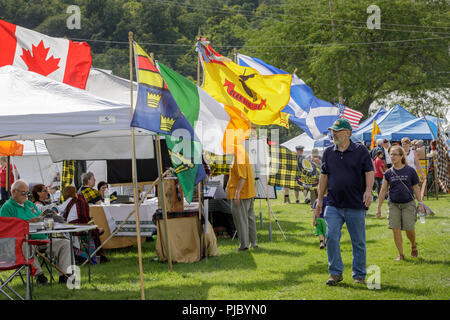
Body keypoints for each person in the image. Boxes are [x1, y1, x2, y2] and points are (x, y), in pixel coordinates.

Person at [315, 118, 374, 286]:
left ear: (348, 133)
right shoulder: (327, 152)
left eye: (337, 130)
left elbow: (370, 171)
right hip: (333, 204)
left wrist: (368, 191)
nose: (334, 133)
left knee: (358, 241)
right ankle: (335, 273)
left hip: (355, 204)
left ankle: (359, 275)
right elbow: (324, 176)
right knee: (331, 236)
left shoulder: (360, 150)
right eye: (333, 130)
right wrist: (320, 200)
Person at [0, 179, 73, 285]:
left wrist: (45, 218)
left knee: (65, 243)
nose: (26, 195)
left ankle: (65, 276)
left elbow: (40, 217)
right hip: (22, 242)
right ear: (14, 192)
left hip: (42, 239)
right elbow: (6, 230)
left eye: (27, 193)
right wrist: (27, 222)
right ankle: (40, 276)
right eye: (23, 193)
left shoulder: (30, 204)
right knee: (26, 244)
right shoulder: (7, 208)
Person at [376, 145, 425, 260]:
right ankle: (401, 254)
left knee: (409, 229)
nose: (392, 156)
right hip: (393, 204)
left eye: (394, 154)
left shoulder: (410, 171)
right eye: (391, 154)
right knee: (395, 229)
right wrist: (378, 208)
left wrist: (420, 203)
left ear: (401, 156)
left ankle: (413, 245)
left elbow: (416, 188)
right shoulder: (388, 173)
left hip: (408, 203)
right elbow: (383, 191)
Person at [59, 185, 108, 263]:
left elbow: (59, 210)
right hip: (80, 226)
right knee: (92, 230)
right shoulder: (78, 200)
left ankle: (82, 256)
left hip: (72, 227)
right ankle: (95, 256)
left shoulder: (70, 201)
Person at [226, 147, 257, 251]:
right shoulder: (242, 153)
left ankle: (243, 245)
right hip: (248, 193)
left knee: (241, 221)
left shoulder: (239, 155)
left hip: (242, 195)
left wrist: (237, 193)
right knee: (249, 219)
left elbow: (242, 177)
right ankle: (254, 242)